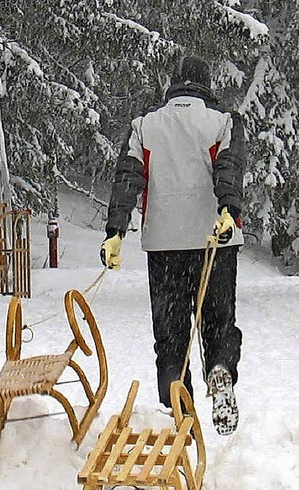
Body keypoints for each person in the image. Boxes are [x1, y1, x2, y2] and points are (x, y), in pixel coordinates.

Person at [99, 56, 244, 435]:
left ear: (174, 83)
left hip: (164, 245)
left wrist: (116, 230)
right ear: (206, 84)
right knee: (217, 320)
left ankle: (179, 414)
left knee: (171, 336)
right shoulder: (223, 122)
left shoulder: (145, 126)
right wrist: (229, 208)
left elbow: (127, 177)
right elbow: (229, 168)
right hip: (216, 240)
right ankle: (220, 368)